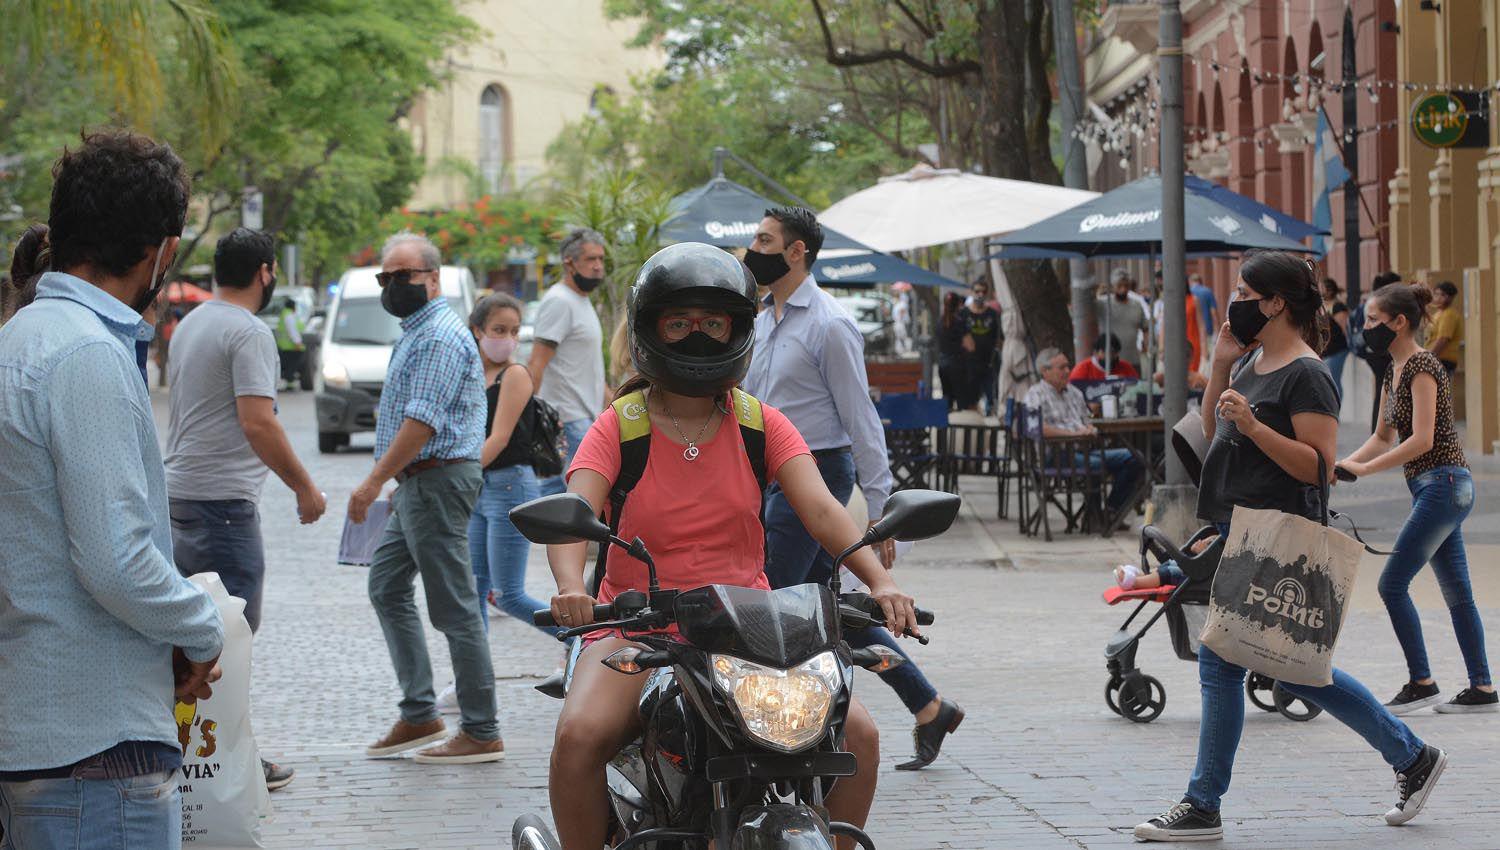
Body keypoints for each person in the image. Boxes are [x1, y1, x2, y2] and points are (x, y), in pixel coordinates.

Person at [545, 242, 922, 850]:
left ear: (738, 329)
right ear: (649, 330)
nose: (697, 336)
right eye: (679, 322)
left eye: (714, 322)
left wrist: (880, 580)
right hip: (638, 624)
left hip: (747, 629)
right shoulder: (620, 424)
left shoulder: (760, 423)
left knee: (861, 736)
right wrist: (570, 587)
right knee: (581, 735)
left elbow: (824, 510)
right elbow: (573, 517)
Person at [1132, 251, 1445, 842]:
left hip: (1276, 537)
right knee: (1292, 669)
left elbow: (1319, 467)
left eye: (1247, 292)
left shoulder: (1307, 373)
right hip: (1239, 528)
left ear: (1276, 303)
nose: (1237, 301)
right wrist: (1222, 364)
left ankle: (1204, 804)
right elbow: (1210, 427)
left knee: (1231, 663)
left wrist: (1255, 427)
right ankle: (1412, 757)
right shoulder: (1252, 359)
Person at [0, 130, 225, 850]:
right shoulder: (86, 355)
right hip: (95, 746)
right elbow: (115, 560)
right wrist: (201, 627)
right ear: (161, 252)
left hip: (47, 734)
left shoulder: (23, 338)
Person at [742, 207, 962, 771]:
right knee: (821, 608)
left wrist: (885, 513)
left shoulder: (830, 324)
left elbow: (862, 419)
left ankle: (790, 727)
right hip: (772, 474)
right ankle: (927, 704)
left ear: (796, 252)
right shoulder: (764, 318)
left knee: (779, 605)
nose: (753, 248)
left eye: (764, 240)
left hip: (818, 473)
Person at [164, 227, 328, 791]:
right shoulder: (248, 331)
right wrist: (304, 488)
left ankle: (181, 748)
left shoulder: (193, 323)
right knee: (227, 637)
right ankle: (226, 761)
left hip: (181, 500)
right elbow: (257, 420)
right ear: (265, 272)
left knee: (189, 635)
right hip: (222, 510)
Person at [347, 231, 502, 764]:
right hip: (418, 482)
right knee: (387, 586)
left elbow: (422, 422)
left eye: (403, 276)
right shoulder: (416, 332)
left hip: (436, 479)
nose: (392, 285)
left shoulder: (437, 335)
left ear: (432, 279)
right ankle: (420, 715)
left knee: (455, 608)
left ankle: (482, 729)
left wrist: (372, 483)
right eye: (385, 277)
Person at [1337, 282, 1494, 714]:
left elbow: (1422, 439)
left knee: (1391, 584)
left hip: (1445, 484)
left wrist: (1365, 470)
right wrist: (1340, 465)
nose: (1365, 327)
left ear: (1399, 322)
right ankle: (1482, 689)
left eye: (1372, 320)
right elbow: (1381, 436)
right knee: (1458, 591)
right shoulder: (1393, 369)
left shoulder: (1423, 366)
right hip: (1434, 488)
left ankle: (1422, 682)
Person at [465, 292, 559, 636]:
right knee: (474, 591)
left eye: (514, 331)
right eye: (499, 329)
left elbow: (500, 438)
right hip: (480, 488)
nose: (507, 339)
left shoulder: (515, 375)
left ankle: (580, 641)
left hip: (508, 487)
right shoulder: (474, 374)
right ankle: (471, 680)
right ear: (477, 330)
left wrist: (459, 476)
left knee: (508, 596)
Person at [531, 228, 608, 496]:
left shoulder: (581, 301)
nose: (598, 266)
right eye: (590, 259)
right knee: (572, 504)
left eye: (601, 259)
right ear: (569, 263)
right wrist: (526, 419)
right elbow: (537, 363)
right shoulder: (559, 301)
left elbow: (589, 368)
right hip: (567, 419)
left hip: (586, 417)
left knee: (568, 503)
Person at [1025, 348, 1145, 520]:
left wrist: (1089, 430)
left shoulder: (1074, 392)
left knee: (1135, 458)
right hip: (1057, 454)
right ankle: (1094, 517)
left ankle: (1111, 510)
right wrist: (1072, 434)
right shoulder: (1035, 394)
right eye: (1062, 367)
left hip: (1085, 449)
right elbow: (1038, 428)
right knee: (1095, 465)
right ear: (1045, 371)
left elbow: (1087, 421)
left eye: (1068, 366)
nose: (1068, 371)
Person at [1354, 270, 1403, 430]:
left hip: (1373, 352)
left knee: (1384, 390)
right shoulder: (1379, 304)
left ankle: (1379, 430)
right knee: (1385, 390)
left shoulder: (1372, 302)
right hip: (1379, 352)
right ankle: (1379, 430)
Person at [960, 277, 1002, 412]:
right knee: (971, 402)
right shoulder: (963, 313)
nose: (980, 295)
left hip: (988, 364)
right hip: (968, 365)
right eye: (977, 291)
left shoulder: (992, 314)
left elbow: (999, 337)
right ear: (971, 292)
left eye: (984, 292)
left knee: (991, 400)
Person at [1098, 268, 1150, 375]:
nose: (1123, 289)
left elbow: (1145, 327)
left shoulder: (1136, 305)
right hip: (1109, 361)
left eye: (1126, 286)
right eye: (1119, 286)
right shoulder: (1103, 304)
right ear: (1113, 287)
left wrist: (1146, 343)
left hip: (1132, 359)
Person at [1320, 276, 1351, 402]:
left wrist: (1351, 345)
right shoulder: (1322, 306)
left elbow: (1345, 328)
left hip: (1337, 350)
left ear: (1330, 290)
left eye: (1322, 288)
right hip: (1325, 350)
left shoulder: (1338, 307)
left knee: (1333, 381)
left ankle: (1335, 410)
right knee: (1328, 381)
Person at [937, 291, 967, 410]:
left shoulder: (939, 322)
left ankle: (945, 425)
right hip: (957, 365)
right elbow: (970, 345)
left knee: (947, 398)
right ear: (958, 305)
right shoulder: (959, 322)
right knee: (961, 399)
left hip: (943, 364)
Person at [1069, 332, 1139, 383]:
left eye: (1114, 353)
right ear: (1096, 352)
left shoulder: (1126, 368)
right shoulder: (1082, 369)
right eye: (1105, 353)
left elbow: (1137, 387)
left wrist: (1125, 381)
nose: (1110, 356)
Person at [1426, 280, 1463, 376]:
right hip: (1436, 359)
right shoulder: (1437, 314)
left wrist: (1428, 357)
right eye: (1437, 294)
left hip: (1443, 360)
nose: (1438, 298)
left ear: (1450, 298)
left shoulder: (1449, 315)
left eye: (1443, 295)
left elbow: (1443, 339)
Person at [273, 296, 307, 390]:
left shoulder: (284, 315)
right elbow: (292, 330)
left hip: (284, 346)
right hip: (291, 347)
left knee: (288, 365)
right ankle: (290, 383)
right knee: (292, 365)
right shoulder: (289, 316)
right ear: (294, 307)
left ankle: (289, 383)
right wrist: (298, 343)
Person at [1189, 272, 1222, 352]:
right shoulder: (1207, 292)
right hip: (1207, 331)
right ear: (1200, 281)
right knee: (1207, 358)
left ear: (1190, 282)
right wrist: (1217, 331)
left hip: (1192, 332)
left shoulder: (1189, 293)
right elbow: (1214, 313)